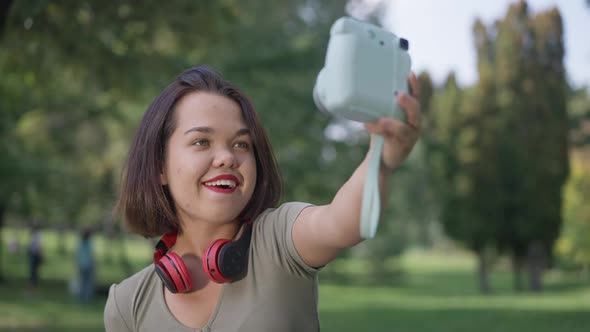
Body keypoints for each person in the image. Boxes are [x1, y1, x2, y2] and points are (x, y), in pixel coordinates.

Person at [104, 65, 421, 331]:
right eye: (201, 142)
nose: (227, 157)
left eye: (241, 144)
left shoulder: (280, 240)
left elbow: (344, 220)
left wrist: (383, 156)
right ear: (160, 166)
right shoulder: (127, 304)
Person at [76, 226, 95, 303]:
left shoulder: (80, 243)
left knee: (82, 281)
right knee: (88, 282)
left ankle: (82, 296)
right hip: (88, 265)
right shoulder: (89, 243)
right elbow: (91, 256)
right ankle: (87, 297)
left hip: (81, 265)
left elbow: (77, 255)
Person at [26, 224, 43, 294]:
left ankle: (33, 290)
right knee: (33, 273)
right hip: (33, 255)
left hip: (35, 256)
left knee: (34, 274)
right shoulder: (35, 235)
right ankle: (32, 290)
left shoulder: (37, 235)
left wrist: (41, 255)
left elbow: (38, 246)